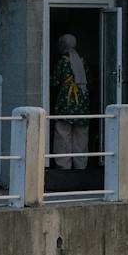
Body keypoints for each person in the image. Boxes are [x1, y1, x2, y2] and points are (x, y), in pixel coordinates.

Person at [50, 33, 91, 170]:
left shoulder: (63, 61)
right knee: (81, 135)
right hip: (82, 101)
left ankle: (63, 165)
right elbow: (89, 79)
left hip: (66, 101)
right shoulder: (82, 60)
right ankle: (81, 164)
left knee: (63, 133)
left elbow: (55, 80)